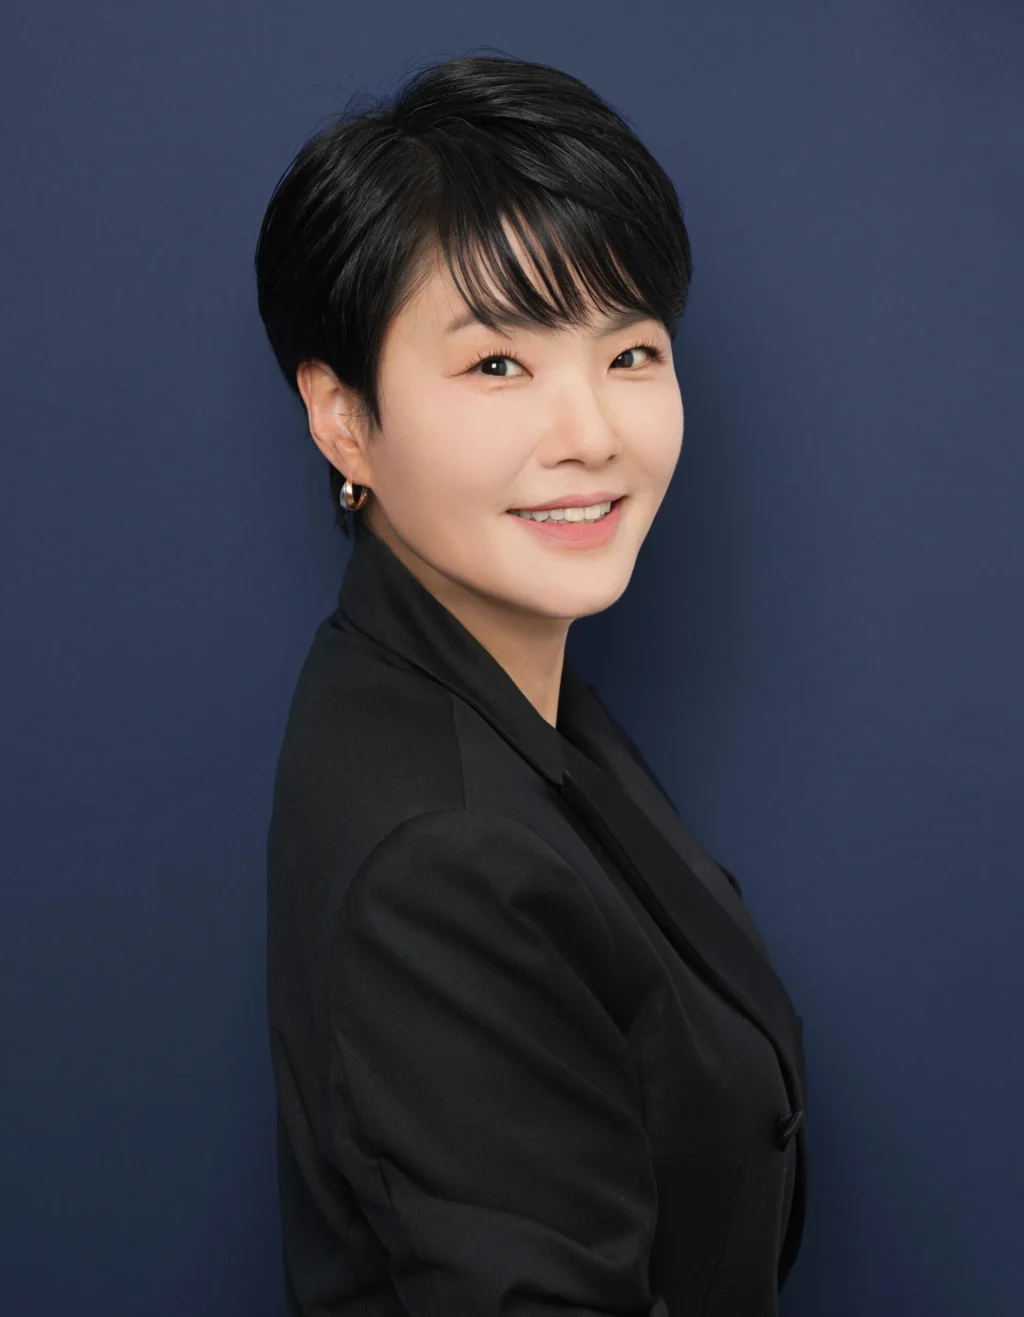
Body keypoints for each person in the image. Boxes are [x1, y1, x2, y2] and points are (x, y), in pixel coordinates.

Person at [255, 52, 807, 1316]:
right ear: (343, 419)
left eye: (631, 353)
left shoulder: (464, 680)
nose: (592, 434)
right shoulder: (446, 858)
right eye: (497, 365)